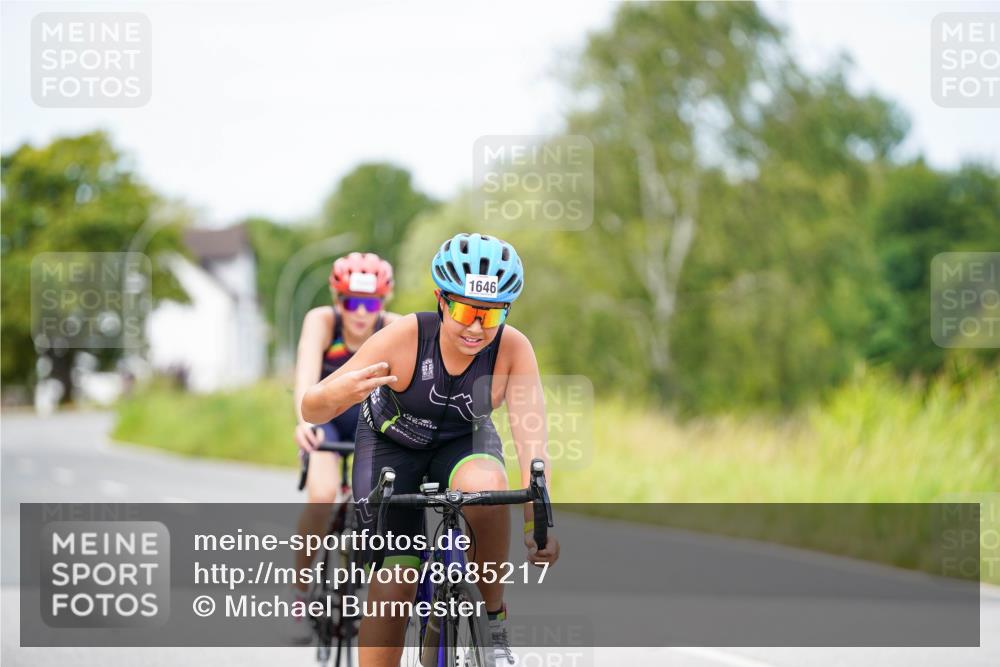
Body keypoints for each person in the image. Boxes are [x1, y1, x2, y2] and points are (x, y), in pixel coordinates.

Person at [302, 232, 560, 666]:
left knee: (489, 489)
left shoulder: (513, 349)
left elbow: (532, 446)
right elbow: (312, 407)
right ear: (441, 300)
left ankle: (492, 620)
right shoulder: (405, 337)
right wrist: (338, 391)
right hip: (389, 444)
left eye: (491, 314)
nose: (477, 327)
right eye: (464, 310)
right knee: (395, 582)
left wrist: (541, 524)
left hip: (462, 442)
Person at [290, 251, 400, 641]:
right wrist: (304, 423)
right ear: (338, 301)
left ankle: (368, 589)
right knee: (322, 496)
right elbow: (304, 375)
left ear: (382, 303)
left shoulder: (394, 328)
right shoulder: (321, 321)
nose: (360, 312)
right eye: (352, 301)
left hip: (372, 423)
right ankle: (301, 590)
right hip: (327, 422)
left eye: (370, 303)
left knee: (380, 506)